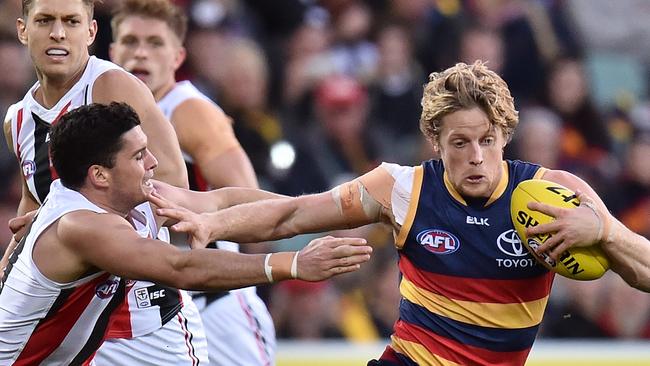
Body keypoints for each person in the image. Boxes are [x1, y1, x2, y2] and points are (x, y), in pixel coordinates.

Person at [154, 61, 650, 366]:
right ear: (435, 142)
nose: (476, 156)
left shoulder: (553, 194)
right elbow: (291, 215)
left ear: (505, 136)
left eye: (487, 141)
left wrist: (604, 229)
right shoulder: (403, 189)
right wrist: (213, 218)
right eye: (460, 142)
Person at [0, 102, 372, 364]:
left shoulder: (129, 196)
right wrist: (292, 264)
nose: (154, 162)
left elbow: (225, 203)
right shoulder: (81, 225)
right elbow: (182, 268)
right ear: (100, 175)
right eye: (139, 155)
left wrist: (340, 208)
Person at [107, 0, 274, 364]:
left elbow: (251, 204)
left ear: (178, 56)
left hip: (212, 301)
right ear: (111, 51)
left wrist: (192, 220)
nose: (140, 53)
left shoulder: (188, 110)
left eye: (154, 43)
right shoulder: (101, 117)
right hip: (146, 301)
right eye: (130, 41)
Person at [1, 0, 186, 280]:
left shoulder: (112, 86)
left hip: (137, 300)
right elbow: (34, 202)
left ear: (91, 32)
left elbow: (174, 186)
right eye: (44, 20)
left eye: (71, 21)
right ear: (23, 30)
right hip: (68, 307)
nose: (58, 33)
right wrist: (7, 269)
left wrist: (86, 234)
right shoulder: (17, 119)